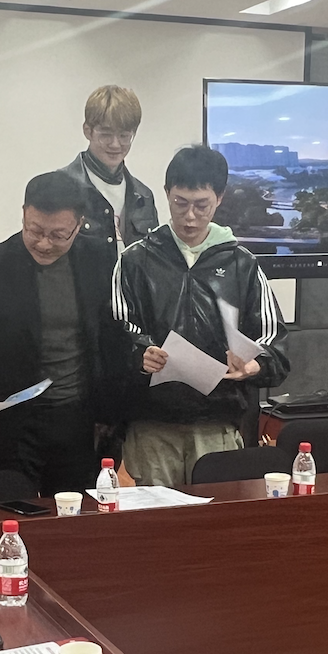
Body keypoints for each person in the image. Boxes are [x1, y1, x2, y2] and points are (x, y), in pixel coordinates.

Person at [0, 171, 128, 495]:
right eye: (34, 230)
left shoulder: (99, 260)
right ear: (24, 213)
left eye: (58, 235)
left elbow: (111, 338)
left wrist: (113, 414)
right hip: (12, 423)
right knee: (10, 508)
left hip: (78, 420)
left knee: (74, 514)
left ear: (79, 225)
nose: (44, 243)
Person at [111, 144, 290, 486]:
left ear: (219, 198)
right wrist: (139, 354)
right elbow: (117, 333)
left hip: (217, 423)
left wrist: (253, 365)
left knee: (217, 515)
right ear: (166, 193)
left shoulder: (241, 264)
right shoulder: (135, 260)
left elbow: (275, 345)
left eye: (201, 205)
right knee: (158, 516)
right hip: (153, 425)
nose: (190, 216)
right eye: (180, 203)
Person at [61, 84, 158, 270]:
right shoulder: (61, 188)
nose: (115, 144)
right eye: (106, 135)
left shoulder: (143, 196)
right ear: (87, 131)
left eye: (124, 136)